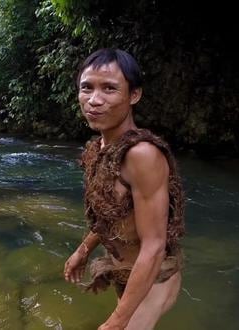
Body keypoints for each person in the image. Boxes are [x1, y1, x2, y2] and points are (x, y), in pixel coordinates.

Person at [63, 48, 186, 330]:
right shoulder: (99, 150)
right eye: (86, 88)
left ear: (134, 95)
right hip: (124, 272)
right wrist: (82, 251)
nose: (94, 100)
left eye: (109, 89)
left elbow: (154, 246)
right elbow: (111, 213)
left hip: (155, 276)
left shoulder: (142, 155)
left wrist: (116, 322)